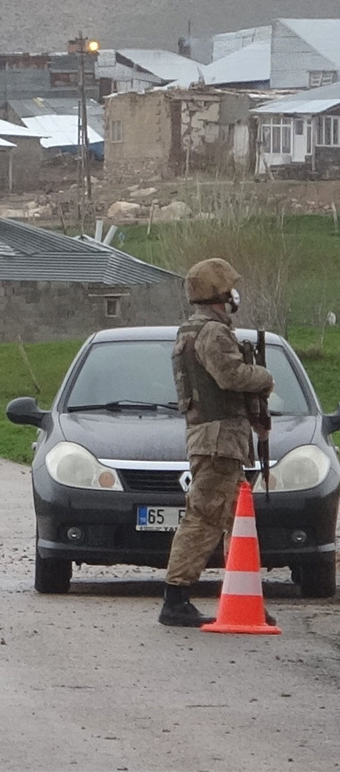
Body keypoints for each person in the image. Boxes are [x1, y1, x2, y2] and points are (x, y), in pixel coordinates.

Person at [160, 257, 274, 627]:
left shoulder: (194, 330)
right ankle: (175, 598)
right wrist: (263, 376)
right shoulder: (212, 332)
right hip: (219, 438)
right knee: (205, 516)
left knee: (235, 522)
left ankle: (244, 597)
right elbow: (230, 375)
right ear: (219, 293)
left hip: (218, 438)